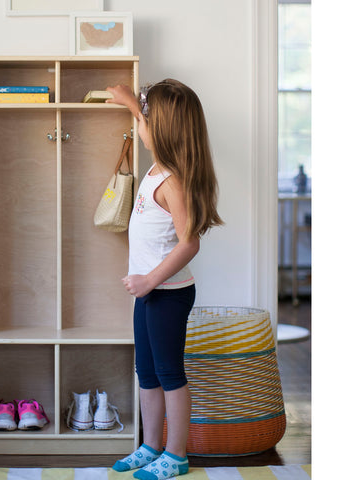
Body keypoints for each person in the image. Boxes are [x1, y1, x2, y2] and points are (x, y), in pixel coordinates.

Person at [106, 80, 223, 479]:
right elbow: (149, 125)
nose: (141, 126)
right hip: (149, 292)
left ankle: (176, 454)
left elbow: (190, 244)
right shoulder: (158, 165)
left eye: (145, 120)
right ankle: (150, 445)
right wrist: (132, 105)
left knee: (170, 374)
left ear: (163, 131)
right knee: (147, 371)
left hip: (168, 293)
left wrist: (149, 281)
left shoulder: (173, 181)